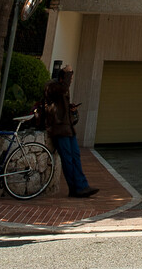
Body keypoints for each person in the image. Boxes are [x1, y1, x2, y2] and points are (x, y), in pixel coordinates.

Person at [44, 64, 98, 198]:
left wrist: (71, 109)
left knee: (75, 157)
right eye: (70, 78)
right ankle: (75, 188)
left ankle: (82, 186)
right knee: (67, 159)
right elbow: (62, 89)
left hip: (68, 129)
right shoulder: (52, 87)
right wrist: (68, 71)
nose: (71, 81)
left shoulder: (62, 89)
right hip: (59, 129)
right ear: (63, 78)